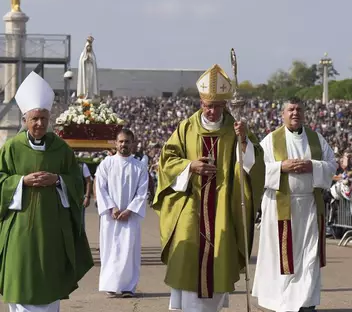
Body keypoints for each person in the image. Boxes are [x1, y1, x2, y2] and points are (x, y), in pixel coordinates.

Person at [152, 64, 265, 312]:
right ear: (200, 102)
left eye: (216, 106)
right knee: (187, 259)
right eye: (206, 105)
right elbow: (167, 160)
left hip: (223, 208)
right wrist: (190, 165)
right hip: (190, 206)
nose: (211, 111)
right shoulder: (186, 128)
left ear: (225, 105)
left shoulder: (236, 130)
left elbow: (254, 165)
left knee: (218, 263)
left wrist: (244, 141)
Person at [0, 72, 93, 312]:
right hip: (20, 229)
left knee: (50, 282)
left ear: (49, 118)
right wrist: (21, 182)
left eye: (43, 118)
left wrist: (58, 179)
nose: (40, 123)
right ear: (25, 119)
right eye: (35, 119)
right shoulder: (11, 148)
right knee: (20, 280)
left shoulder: (61, 149)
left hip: (53, 229)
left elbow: (76, 181)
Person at [252, 97, 337, 312]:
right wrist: (281, 166)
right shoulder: (271, 141)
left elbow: (331, 166)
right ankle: (282, 302)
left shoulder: (317, 140)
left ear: (305, 113)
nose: (295, 113)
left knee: (308, 256)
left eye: (299, 109)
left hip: (309, 205)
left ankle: (306, 302)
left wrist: (313, 165)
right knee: (283, 258)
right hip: (280, 207)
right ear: (282, 114)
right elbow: (258, 170)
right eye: (290, 109)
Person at [95, 128, 149, 297]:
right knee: (110, 249)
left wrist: (130, 210)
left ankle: (128, 287)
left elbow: (142, 192)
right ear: (116, 143)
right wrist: (112, 207)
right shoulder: (106, 163)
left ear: (133, 144)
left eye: (127, 141)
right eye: (121, 141)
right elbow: (101, 187)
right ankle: (110, 285)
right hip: (111, 217)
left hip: (130, 217)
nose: (124, 144)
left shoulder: (139, 167)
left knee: (128, 250)